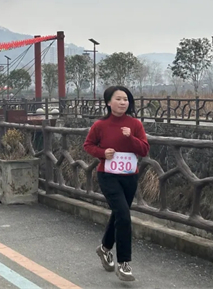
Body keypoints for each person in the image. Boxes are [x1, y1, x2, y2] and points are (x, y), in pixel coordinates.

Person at [83, 86, 150, 282]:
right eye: (118, 99)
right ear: (108, 102)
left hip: (129, 176)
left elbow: (144, 150)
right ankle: (124, 263)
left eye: (126, 99)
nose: (123, 102)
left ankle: (104, 248)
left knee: (119, 214)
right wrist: (103, 153)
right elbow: (88, 145)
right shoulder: (100, 125)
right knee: (123, 215)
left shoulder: (135, 124)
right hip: (108, 175)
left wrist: (131, 138)